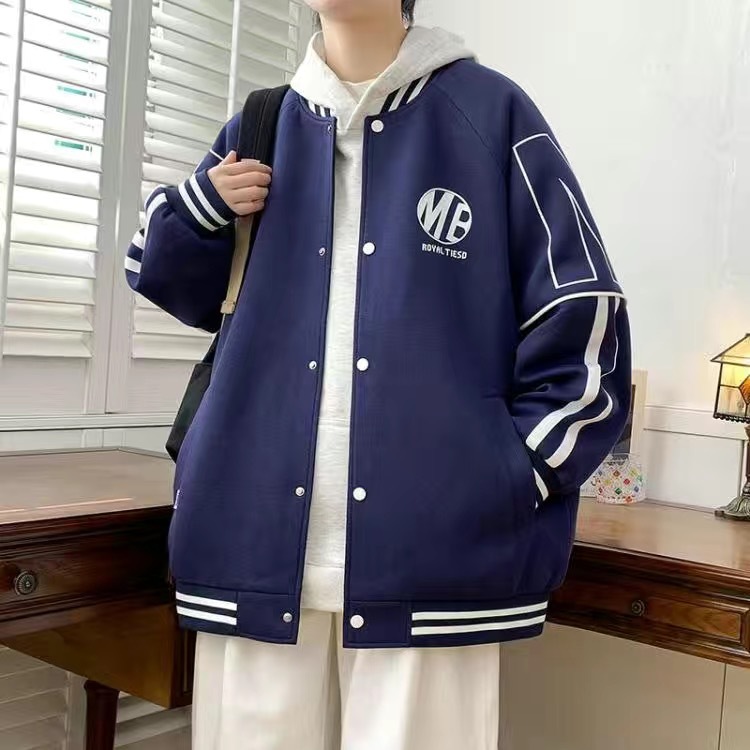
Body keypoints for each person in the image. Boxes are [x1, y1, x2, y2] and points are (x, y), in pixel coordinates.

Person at [125, 0, 631, 747]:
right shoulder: (260, 124)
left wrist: (509, 475)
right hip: (251, 537)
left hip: (437, 553)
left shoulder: (491, 113)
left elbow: (583, 312)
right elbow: (166, 279)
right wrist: (199, 208)